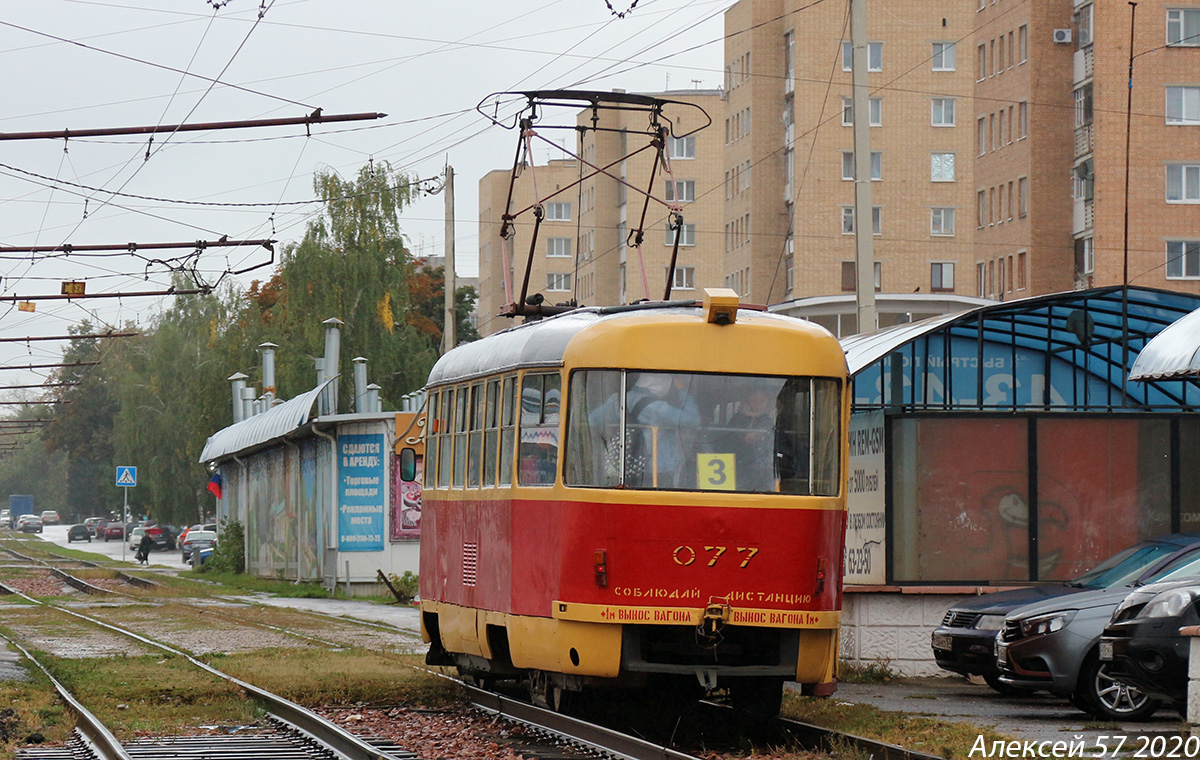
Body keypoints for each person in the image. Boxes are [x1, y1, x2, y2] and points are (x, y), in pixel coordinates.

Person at [728, 387, 777, 492]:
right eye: (754, 401)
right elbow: (728, 438)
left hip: (764, 468)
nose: (757, 404)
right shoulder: (738, 418)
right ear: (747, 402)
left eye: (762, 401)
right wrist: (742, 437)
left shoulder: (769, 420)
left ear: (767, 403)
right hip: (740, 465)